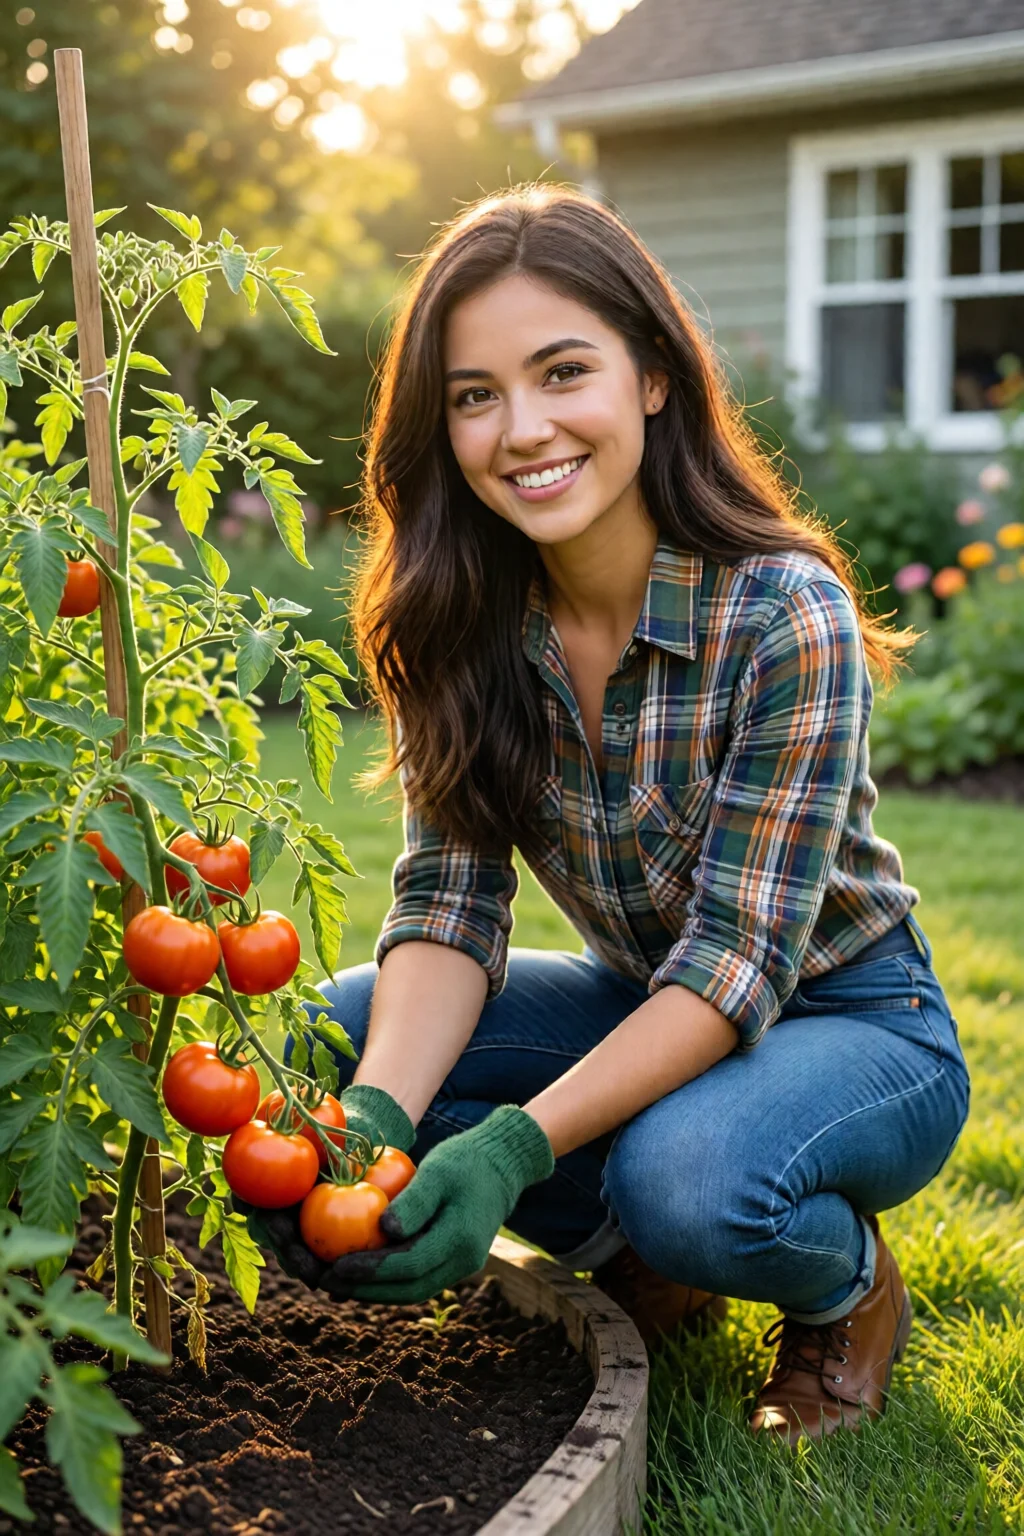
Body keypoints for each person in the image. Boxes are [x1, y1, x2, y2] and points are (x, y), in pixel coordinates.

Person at [247, 186, 970, 1445]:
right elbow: (446, 909)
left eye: (561, 372)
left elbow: (740, 961)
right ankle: (657, 1262)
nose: (520, 430)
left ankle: (845, 1289)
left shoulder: (778, 611)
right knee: (331, 1046)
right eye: (474, 394)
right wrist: (369, 1121)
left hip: (856, 1021)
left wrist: (515, 1152)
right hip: (646, 998)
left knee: (683, 1175)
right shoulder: (462, 617)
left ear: (650, 376)